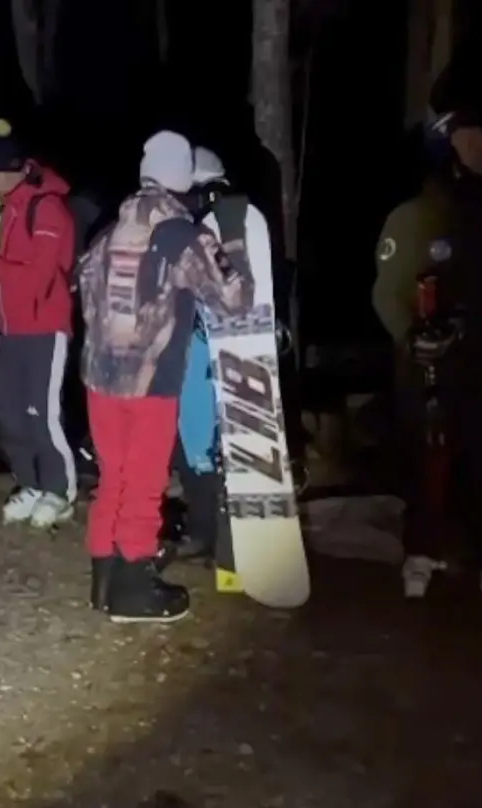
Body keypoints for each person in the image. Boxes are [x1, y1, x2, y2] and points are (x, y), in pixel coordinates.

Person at [75, 130, 252, 623]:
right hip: (151, 381)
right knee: (146, 481)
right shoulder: (181, 234)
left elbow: (85, 295)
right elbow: (234, 298)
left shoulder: (109, 231)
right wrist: (233, 235)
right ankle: (134, 588)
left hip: (101, 377)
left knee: (114, 477)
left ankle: (104, 578)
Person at [373, 107, 482, 610]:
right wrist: (410, 335)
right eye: (470, 142)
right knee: (423, 461)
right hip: (421, 369)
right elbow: (387, 291)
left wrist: (468, 326)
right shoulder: (409, 217)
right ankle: (420, 553)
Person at [0, 119, 79, 528]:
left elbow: (40, 276)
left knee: (43, 414)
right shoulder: (6, 207)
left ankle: (60, 491)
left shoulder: (47, 208)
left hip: (45, 326)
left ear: (14, 168)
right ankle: (30, 483)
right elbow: (0, 265)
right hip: (12, 327)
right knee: (9, 413)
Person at [170, 147, 281, 557]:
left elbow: (248, 287)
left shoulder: (237, 224)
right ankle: (202, 528)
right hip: (190, 347)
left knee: (220, 439)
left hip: (227, 347)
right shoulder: (180, 226)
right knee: (192, 439)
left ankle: (234, 533)